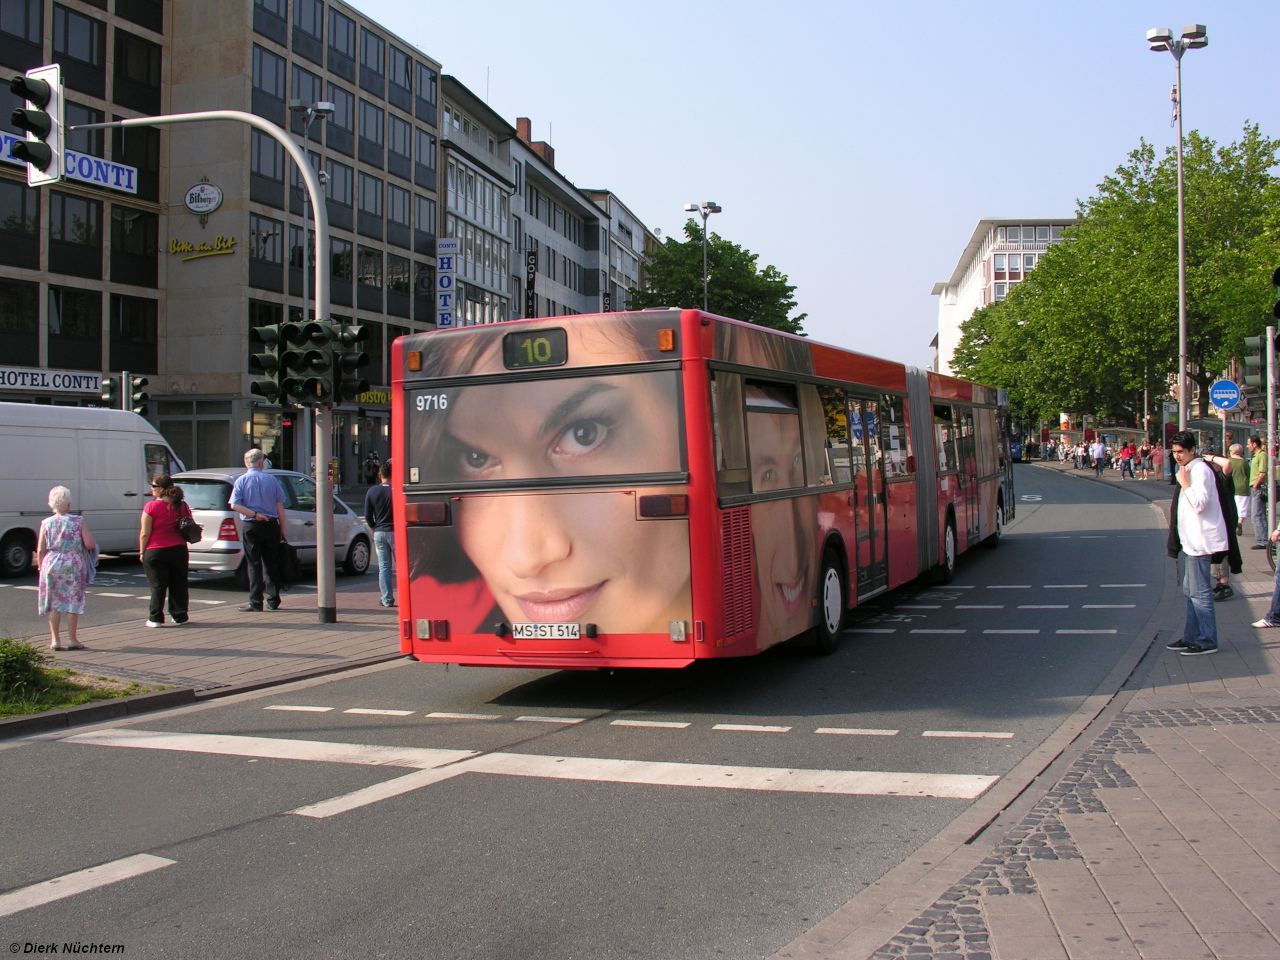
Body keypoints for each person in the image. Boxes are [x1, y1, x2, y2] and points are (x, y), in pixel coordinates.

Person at [1166, 431, 1227, 655]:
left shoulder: (1199, 470)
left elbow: (1199, 504)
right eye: (1174, 453)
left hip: (1202, 541)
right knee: (1190, 589)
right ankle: (1191, 636)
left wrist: (1184, 484)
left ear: (1193, 450)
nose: (1177, 456)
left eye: (1181, 452)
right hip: (1193, 541)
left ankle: (1207, 640)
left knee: (1200, 592)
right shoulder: (1190, 469)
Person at [37, 485, 95, 650]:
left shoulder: (46, 523)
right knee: (72, 601)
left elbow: (41, 548)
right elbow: (89, 544)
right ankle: (72, 639)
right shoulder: (78, 521)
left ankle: (55, 640)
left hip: (51, 562)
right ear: (68, 504)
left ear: (51, 504)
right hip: (73, 563)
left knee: (53, 602)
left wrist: (41, 566)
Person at [230, 448, 288, 612]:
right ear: (261, 463)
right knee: (271, 563)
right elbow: (280, 507)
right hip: (271, 524)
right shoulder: (271, 480)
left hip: (251, 525)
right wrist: (282, 529)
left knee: (253, 564)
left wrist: (254, 514)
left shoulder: (241, 481)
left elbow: (234, 505)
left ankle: (255, 601)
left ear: (246, 463)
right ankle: (273, 599)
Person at [139, 474, 192, 627]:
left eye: (154, 486)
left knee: (157, 585)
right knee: (179, 583)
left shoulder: (151, 506)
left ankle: (155, 618)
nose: (151, 488)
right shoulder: (182, 505)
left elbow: (145, 532)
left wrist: (142, 551)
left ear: (161, 489)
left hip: (156, 550)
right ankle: (179, 615)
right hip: (179, 549)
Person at [364, 461, 395, 607]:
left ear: (379, 475)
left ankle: (387, 598)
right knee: (402, 567)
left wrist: (374, 527)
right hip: (395, 532)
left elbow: (368, 515)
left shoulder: (372, 491)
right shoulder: (397, 491)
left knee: (384, 567)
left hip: (380, 532)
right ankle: (407, 596)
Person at [1248, 435, 1268, 549]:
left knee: (1257, 515)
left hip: (1258, 487)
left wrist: (1255, 485)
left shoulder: (1262, 455)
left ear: (1255, 444)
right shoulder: (1255, 455)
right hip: (1255, 487)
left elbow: (1263, 472)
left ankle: (1262, 541)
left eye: (1249, 444)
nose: (1248, 446)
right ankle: (1264, 540)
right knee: (1260, 515)